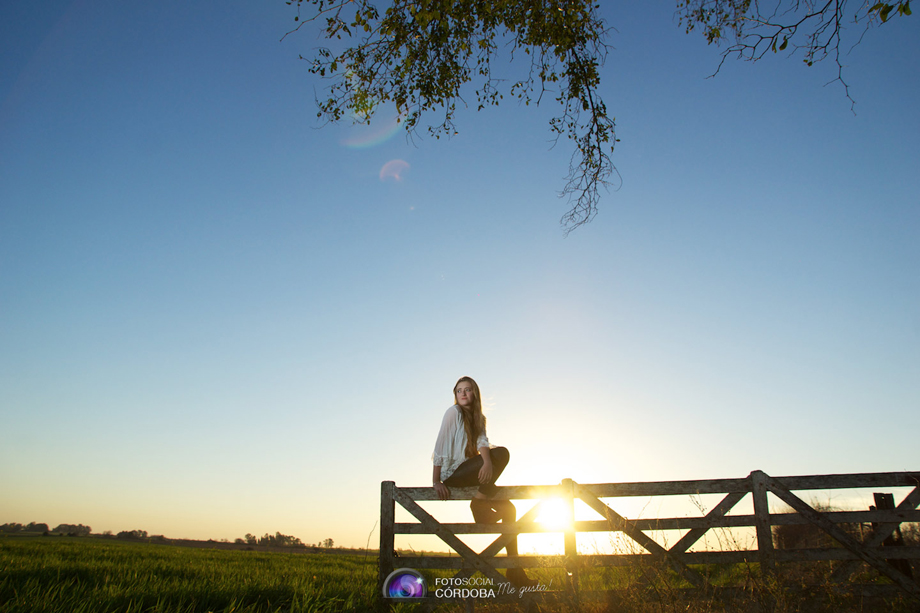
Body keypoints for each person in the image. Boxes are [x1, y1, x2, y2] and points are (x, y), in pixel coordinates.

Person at [431, 376, 534, 587]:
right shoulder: (453, 413)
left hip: (472, 472)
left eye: (467, 389)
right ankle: (478, 503)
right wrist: (435, 480)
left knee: (510, 510)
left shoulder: (479, 418)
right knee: (502, 453)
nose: (463, 393)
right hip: (453, 473)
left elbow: (482, 442)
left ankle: (515, 571)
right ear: (455, 394)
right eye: (459, 390)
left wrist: (486, 463)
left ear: (475, 393)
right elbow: (440, 444)